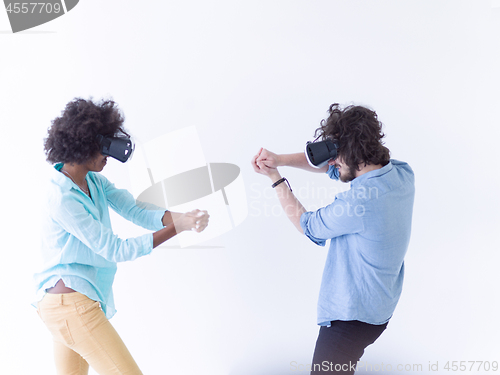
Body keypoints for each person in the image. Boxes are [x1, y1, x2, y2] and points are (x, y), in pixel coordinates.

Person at [34, 98, 210, 375]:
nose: (108, 157)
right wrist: (178, 227)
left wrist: (181, 217)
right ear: (83, 145)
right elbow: (115, 249)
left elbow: (134, 208)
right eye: (103, 148)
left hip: (68, 306)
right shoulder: (61, 198)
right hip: (71, 307)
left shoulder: (92, 181)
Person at [252, 103, 415, 374]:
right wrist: (278, 159)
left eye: (337, 155)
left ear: (351, 154)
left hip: (350, 320)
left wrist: (274, 176)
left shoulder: (359, 202)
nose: (333, 162)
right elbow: (334, 169)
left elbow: (308, 225)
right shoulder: (401, 174)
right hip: (379, 308)